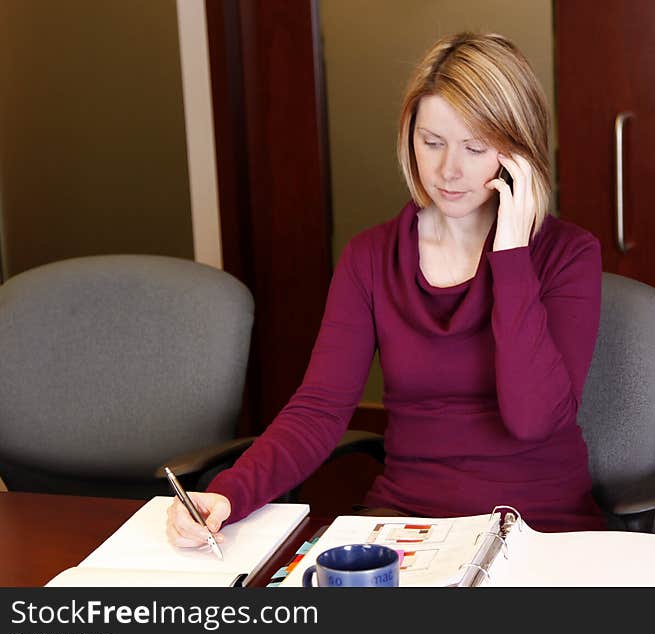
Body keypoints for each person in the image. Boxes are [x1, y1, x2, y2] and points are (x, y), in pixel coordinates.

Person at [167, 32, 605, 551]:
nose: (449, 170)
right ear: (409, 137)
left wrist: (510, 255)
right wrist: (230, 493)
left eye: (475, 147)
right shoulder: (370, 258)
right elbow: (319, 409)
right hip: (409, 526)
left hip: (540, 527)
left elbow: (533, 419)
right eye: (432, 142)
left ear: (516, 151)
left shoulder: (568, 255)